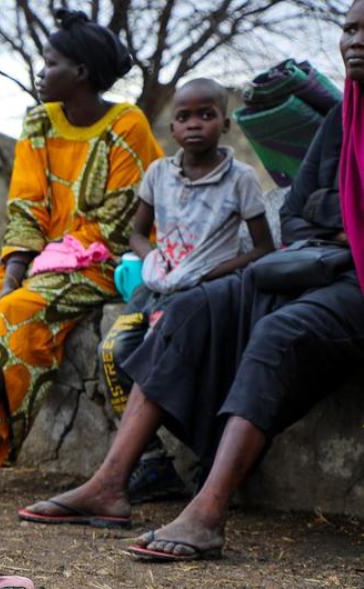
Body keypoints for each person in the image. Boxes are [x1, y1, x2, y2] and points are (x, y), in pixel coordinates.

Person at [19, 1, 364, 561]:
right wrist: (337, 234)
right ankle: (110, 484)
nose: (354, 40)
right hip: (316, 264)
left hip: (351, 284)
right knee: (191, 308)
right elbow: (299, 211)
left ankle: (207, 511)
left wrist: (342, 239)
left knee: (279, 334)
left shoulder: (240, 175)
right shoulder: (342, 120)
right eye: (348, 28)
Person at [0, 8, 163, 501]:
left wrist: (22, 276)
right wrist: (10, 268)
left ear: (81, 72)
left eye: (50, 64)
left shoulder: (126, 126)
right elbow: (26, 206)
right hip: (43, 258)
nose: (42, 74)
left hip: (102, 262)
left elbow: (115, 226)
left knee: (19, 307)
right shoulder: (39, 123)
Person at [97, 79, 275, 502]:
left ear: (225, 124)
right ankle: (151, 462)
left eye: (206, 115)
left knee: (168, 363)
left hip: (203, 296)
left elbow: (264, 247)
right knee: (114, 352)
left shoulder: (241, 179)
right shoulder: (159, 173)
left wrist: (211, 273)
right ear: (172, 128)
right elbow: (136, 234)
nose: (194, 124)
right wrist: (156, 259)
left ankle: (208, 459)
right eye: (183, 117)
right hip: (158, 285)